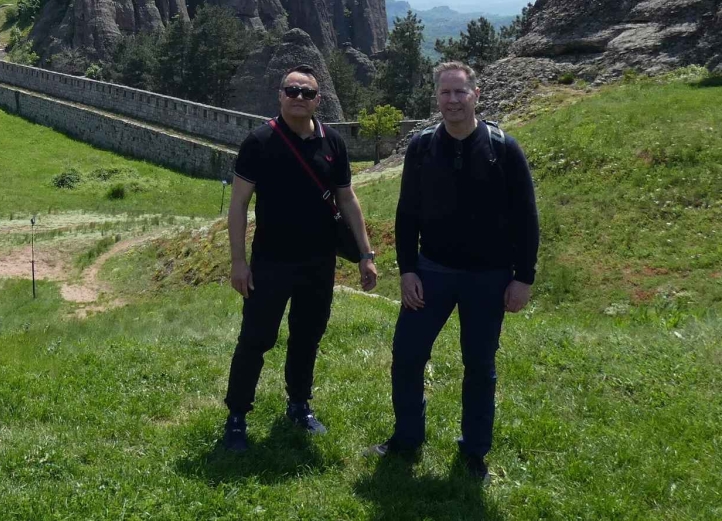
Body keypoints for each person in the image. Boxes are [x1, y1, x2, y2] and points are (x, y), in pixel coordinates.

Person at [369, 61, 541, 480]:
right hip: (432, 271)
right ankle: (407, 438)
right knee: (407, 355)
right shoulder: (422, 147)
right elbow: (406, 214)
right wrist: (407, 270)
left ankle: (474, 452)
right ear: (437, 98)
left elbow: (527, 217)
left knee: (480, 365)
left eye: (460, 92)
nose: (452, 101)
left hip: (489, 276)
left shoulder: (504, 148)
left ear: (476, 95)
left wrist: (524, 277)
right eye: (445, 93)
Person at [221, 64, 378, 452]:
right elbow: (238, 204)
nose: (298, 97)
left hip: (318, 262)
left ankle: (299, 405)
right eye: (292, 90)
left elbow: (347, 198)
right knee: (255, 340)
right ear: (280, 95)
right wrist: (238, 262)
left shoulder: (333, 143)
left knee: (307, 337)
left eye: (307, 92)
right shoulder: (259, 141)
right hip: (270, 262)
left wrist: (365, 253)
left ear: (318, 100)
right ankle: (237, 417)